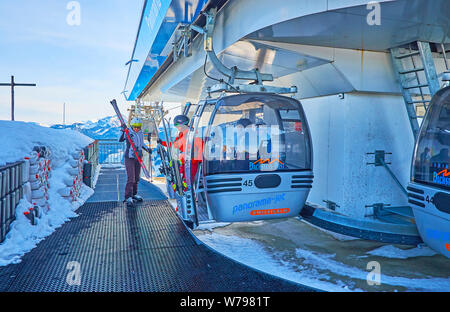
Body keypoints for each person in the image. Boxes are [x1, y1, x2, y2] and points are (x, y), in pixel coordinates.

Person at [119, 117, 151, 207]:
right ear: (131, 126)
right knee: (131, 178)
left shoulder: (140, 133)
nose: (136, 128)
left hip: (138, 157)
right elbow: (120, 139)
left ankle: (134, 194)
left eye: (138, 127)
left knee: (137, 178)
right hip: (130, 157)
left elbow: (141, 143)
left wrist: (147, 149)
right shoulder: (128, 132)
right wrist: (122, 131)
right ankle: (128, 196)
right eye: (135, 126)